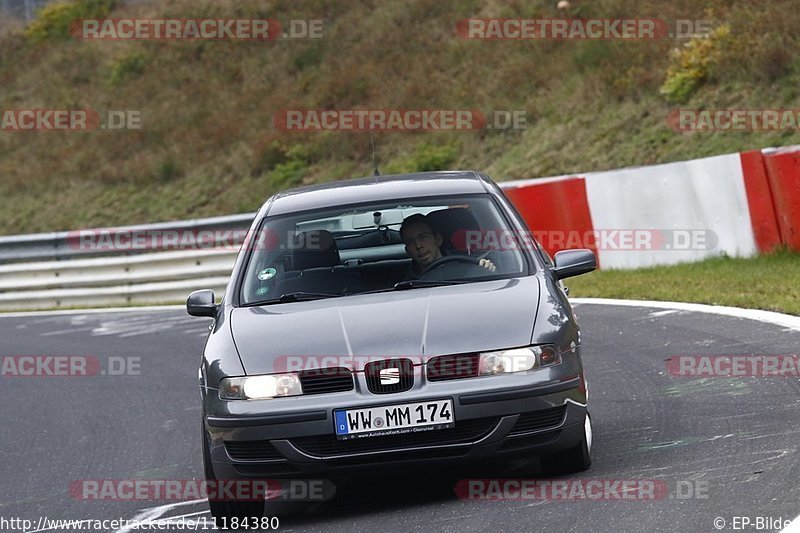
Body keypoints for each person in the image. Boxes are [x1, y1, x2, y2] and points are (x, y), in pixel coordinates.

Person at [399, 213, 495, 279]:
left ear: (438, 239)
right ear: (407, 251)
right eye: (411, 242)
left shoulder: (470, 264)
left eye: (423, 237)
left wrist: (487, 269)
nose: (418, 246)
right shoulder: (406, 287)